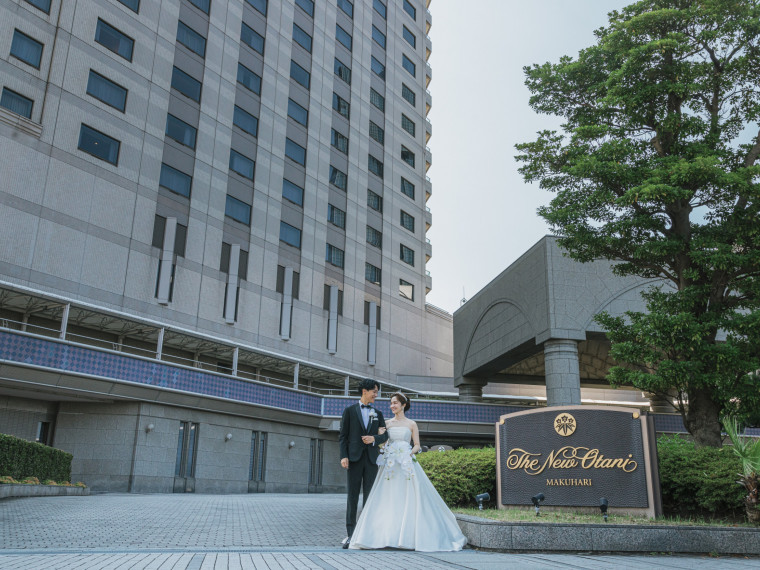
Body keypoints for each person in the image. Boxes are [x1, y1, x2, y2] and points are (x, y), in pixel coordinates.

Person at [349, 392, 467, 552]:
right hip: (390, 465)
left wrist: (410, 453)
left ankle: (408, 537)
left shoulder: (412, 424)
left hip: (406, 464)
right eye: (391, 403)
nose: (392, 406)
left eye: (395, 403)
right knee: (387, 498)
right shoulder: (387, 423)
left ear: (403, 405)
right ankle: (384, 536)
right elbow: (381, 444)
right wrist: (382, 444)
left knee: (411, 497)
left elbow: (417, 444)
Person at [338, 378, 389, 548]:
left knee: (369, 497)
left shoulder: (378, 414)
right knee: (352, 497)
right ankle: (351, 535)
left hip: (371, 460)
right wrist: (343, 456)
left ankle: (367, 534)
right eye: (374, 391)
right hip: (353, 459)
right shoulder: (349, 411)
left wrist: (374, 438)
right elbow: (343, 436)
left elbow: (385, 436)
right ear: (364, 391)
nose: (376, 395)